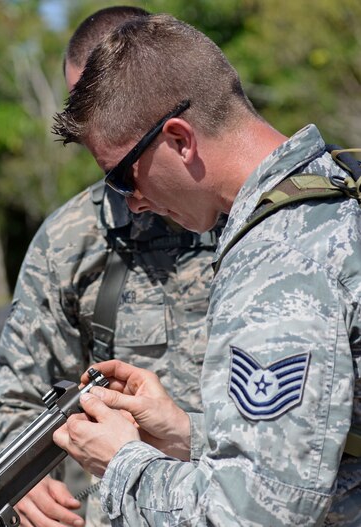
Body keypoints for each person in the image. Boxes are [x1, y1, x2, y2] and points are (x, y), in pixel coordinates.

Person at [51, 13, 361, 525]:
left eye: (122, 176)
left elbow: (254, 514)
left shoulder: (280, 258)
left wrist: (123, 462)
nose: (132, 204)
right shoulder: (331, 191)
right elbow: (320, 442)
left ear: (179, 139)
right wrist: (184, 432)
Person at [0, 6, 222, 527]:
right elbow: (20, 399)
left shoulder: (263, 223)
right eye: (82, 100)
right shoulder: (70, 239)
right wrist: (21, 483)